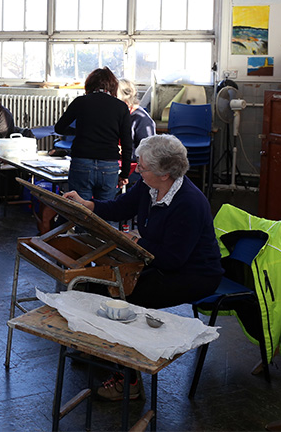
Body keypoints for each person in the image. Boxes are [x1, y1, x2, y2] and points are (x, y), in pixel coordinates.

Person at [64, 135, 223, 400]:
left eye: (143, 167)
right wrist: (86, 204)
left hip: (194, 274)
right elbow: (119, 207)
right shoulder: (149, 186)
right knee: (98, 282)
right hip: (159, 259)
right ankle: (100, 346)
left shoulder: (189, 203)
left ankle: (129, 382)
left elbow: (173, 259)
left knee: (125, 297)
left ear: (165, 174)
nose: (138, 170)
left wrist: (137, 241)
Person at [54, 67, 132, 201]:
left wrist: (78, 131)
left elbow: (59, 128)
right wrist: (125, 174)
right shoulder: (121, 107)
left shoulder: (80, 102)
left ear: (89, 85)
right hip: (108, 165)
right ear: (113, 86)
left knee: (80, 209)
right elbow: (127, 143)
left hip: (81, 163)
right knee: (106, 210)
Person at [117, 79, 156, 162]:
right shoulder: (118, 115)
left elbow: (147, 153)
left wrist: (123, 151)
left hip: (132, 163)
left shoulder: (142, 120)